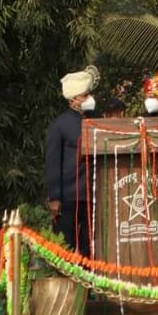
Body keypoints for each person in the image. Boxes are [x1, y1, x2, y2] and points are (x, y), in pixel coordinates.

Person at [45, 65, 99, 254]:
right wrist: (55, 197)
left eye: (89, 94)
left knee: (89, 248)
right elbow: (53, 163)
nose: (89, 98)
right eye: (85, 95)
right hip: (68, 198)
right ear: (73, 99)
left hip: (93, 196)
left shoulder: (96, 121)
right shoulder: (59, 125)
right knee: (65, 248)